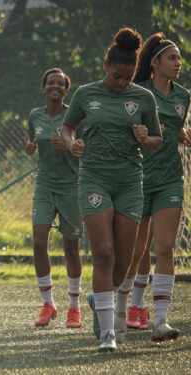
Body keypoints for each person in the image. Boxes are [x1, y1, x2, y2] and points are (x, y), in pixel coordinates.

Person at [61, 27, 162, 352]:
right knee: (103, 252)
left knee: (124, 258)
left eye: (129, 76)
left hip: (130, 181)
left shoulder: (143, 98)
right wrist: (71, 143)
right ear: (107, 67)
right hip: (94, 178)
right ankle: (108, 334)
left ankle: (97, 298)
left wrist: (147, 139)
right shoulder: (86, 94)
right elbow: (67, 127)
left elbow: (157, 141)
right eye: (118, 76)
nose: (123, 83)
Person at [125, 32, 190, 342]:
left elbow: (174, 128)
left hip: (169, 180)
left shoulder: (183, 96)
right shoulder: (137, 93)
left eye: (179, 58)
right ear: (155, 63)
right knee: (136, 250)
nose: (178, 63)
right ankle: (118, 307)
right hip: (137, 179)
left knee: (164, 248)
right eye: (172, 58)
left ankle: (161, 320)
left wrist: (179, 134)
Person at [25, 68, 83, 329]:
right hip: (45, 186)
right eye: (51, 83)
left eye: (60, 84)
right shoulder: (35, 115)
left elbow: (87, 151)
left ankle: (74, 307)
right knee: (39, 240)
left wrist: (70, 148)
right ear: (43, 87)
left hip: (72, 186)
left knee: (71, 246)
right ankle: (48, 303)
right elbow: (32, 140)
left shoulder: (76, 117)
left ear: (66, 89)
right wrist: (30, 147)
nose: (55, 87)